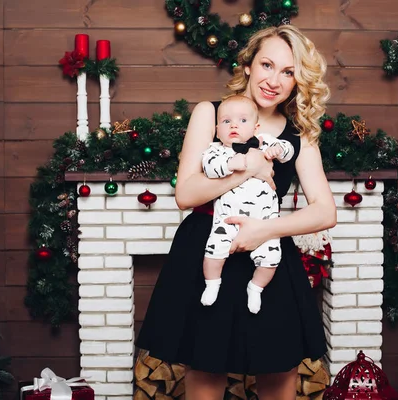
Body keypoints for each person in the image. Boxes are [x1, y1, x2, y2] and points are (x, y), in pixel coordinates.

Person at [136, 24, 336, 400]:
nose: (274, 80)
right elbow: (186, 193)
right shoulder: (208, 114)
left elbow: (325, 211)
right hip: (208, 249)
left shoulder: (299, 133)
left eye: (288, 72)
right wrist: (252, 167)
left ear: (298, 82)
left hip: (269, 259)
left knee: (279, 374)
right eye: (267, 65)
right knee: (205, 371)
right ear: (247, 66)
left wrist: (263, 231)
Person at [200, 95, 295, 314]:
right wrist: (230, 163)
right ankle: (212, 284)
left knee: (271, 259)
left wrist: (277, 150)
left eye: (243, 121)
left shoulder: (263, 141)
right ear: (217, 130)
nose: (234, 125)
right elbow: (209, 167)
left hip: (264, 222)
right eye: (226, 121)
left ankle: (256, 287)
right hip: (228, 220)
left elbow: (288, 150)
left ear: (255, 126)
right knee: (213, 251)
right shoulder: (217, 150)